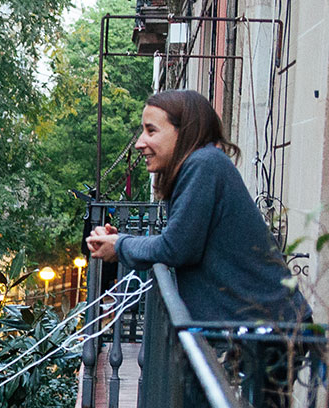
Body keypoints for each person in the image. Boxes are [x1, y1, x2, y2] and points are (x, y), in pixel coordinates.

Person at [85, 89, 307, 325]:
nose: (140, 143)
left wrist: (120, 245)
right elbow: (180, 241)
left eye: (151, 130)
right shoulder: (202, 164)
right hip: (256, 328)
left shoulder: (203, 165)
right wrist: (121, 241)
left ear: (185, 133)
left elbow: (176, 248)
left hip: (265, 331)